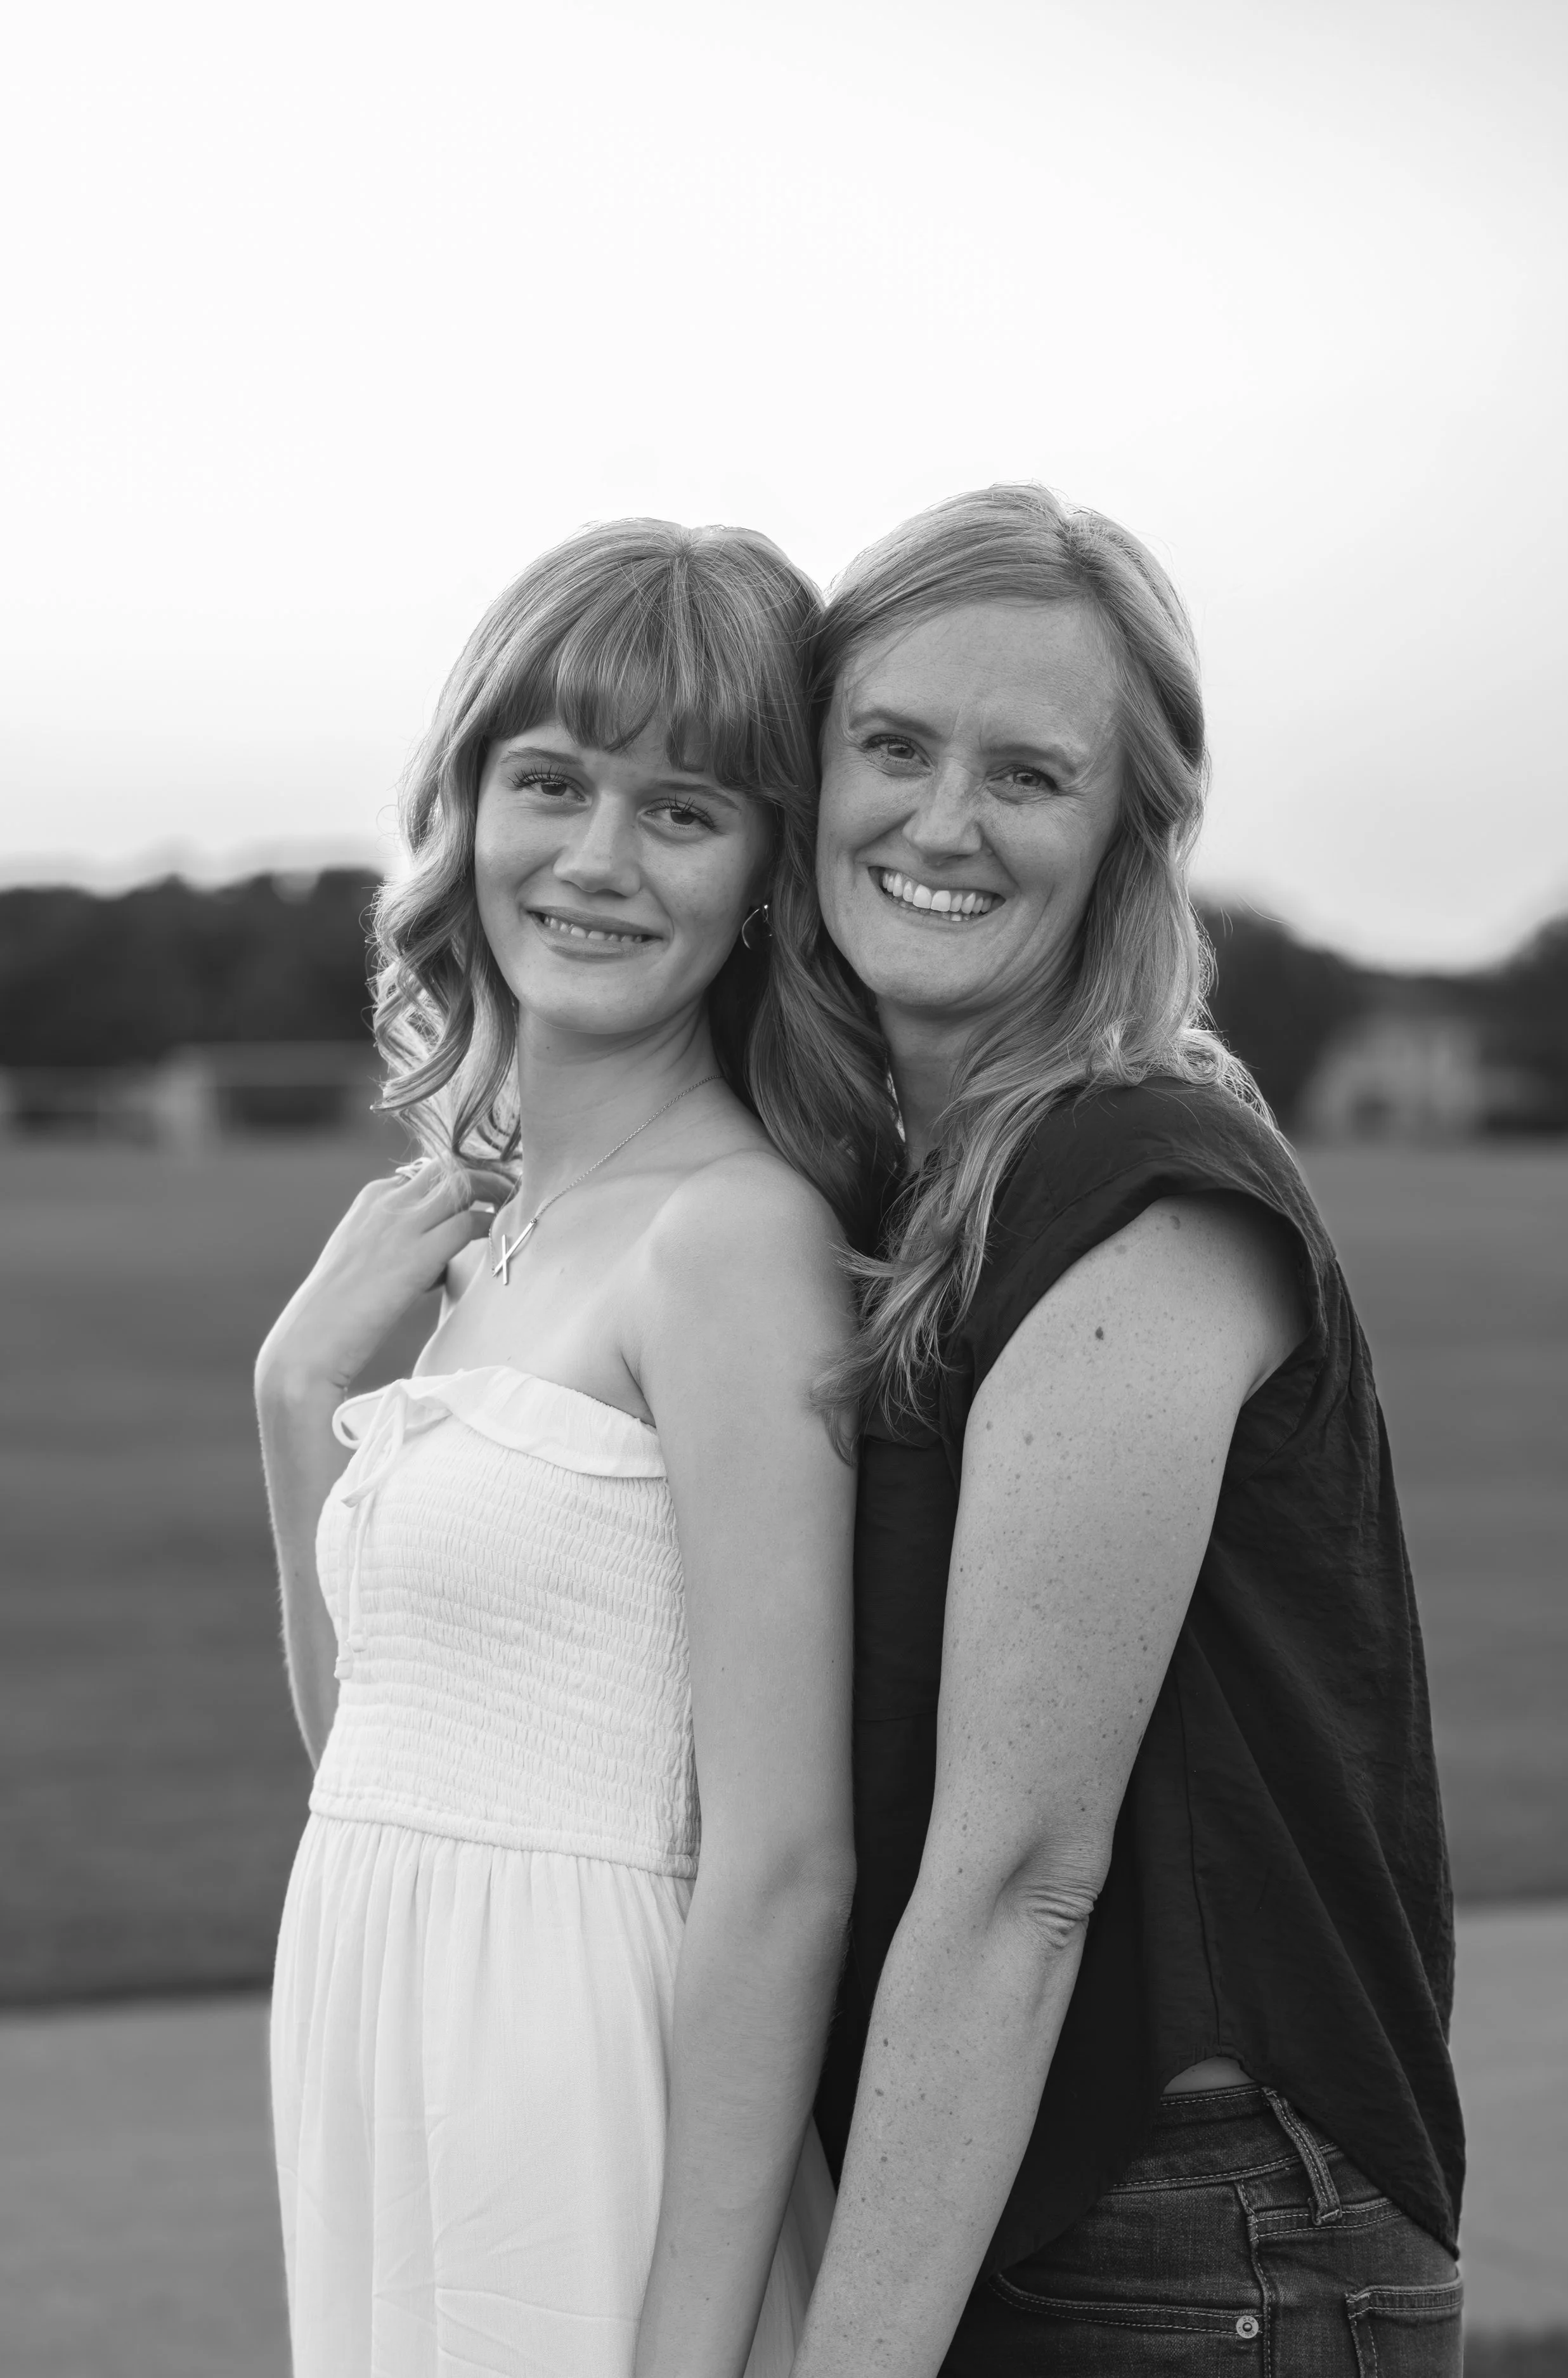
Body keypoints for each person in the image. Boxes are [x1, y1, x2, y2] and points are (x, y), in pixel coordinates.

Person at [784, 486, 1465, 2375]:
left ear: (1122, 836)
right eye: (892, 747)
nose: (939, 821)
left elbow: (1026, 1869)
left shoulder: (1140, 1179)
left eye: (1026, 774)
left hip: (1187, 2229)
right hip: (1027, 2193)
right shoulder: (895, 1182)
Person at [256, 520, 864, 2378]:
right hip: (384, 2049)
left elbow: (784, 1863)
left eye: (681, 809)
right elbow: (368, 1745)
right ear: (469, 806)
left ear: (766, 870)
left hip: (573, 2084)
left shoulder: (732, 1238)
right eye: (550, 784)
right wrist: (294, 1397)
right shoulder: (488, 1231)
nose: (594, 860)